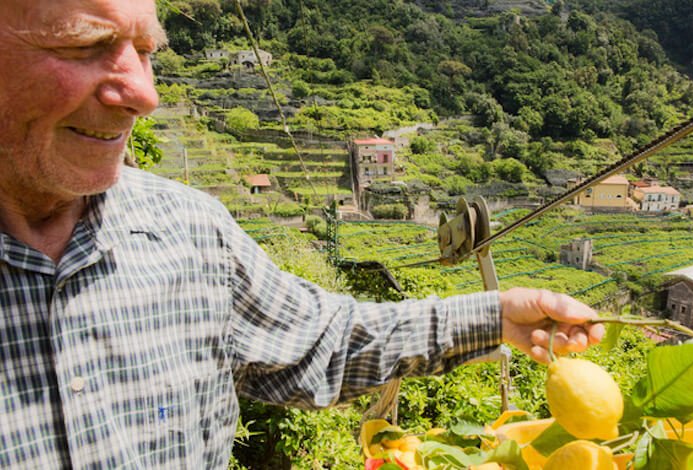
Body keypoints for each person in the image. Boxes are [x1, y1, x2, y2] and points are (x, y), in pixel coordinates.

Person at [0, 0, 605, 467]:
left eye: (145, 51)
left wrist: (495, 315)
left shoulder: (188, 230)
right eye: (86, 46)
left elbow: (324, 342)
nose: (144, 95)